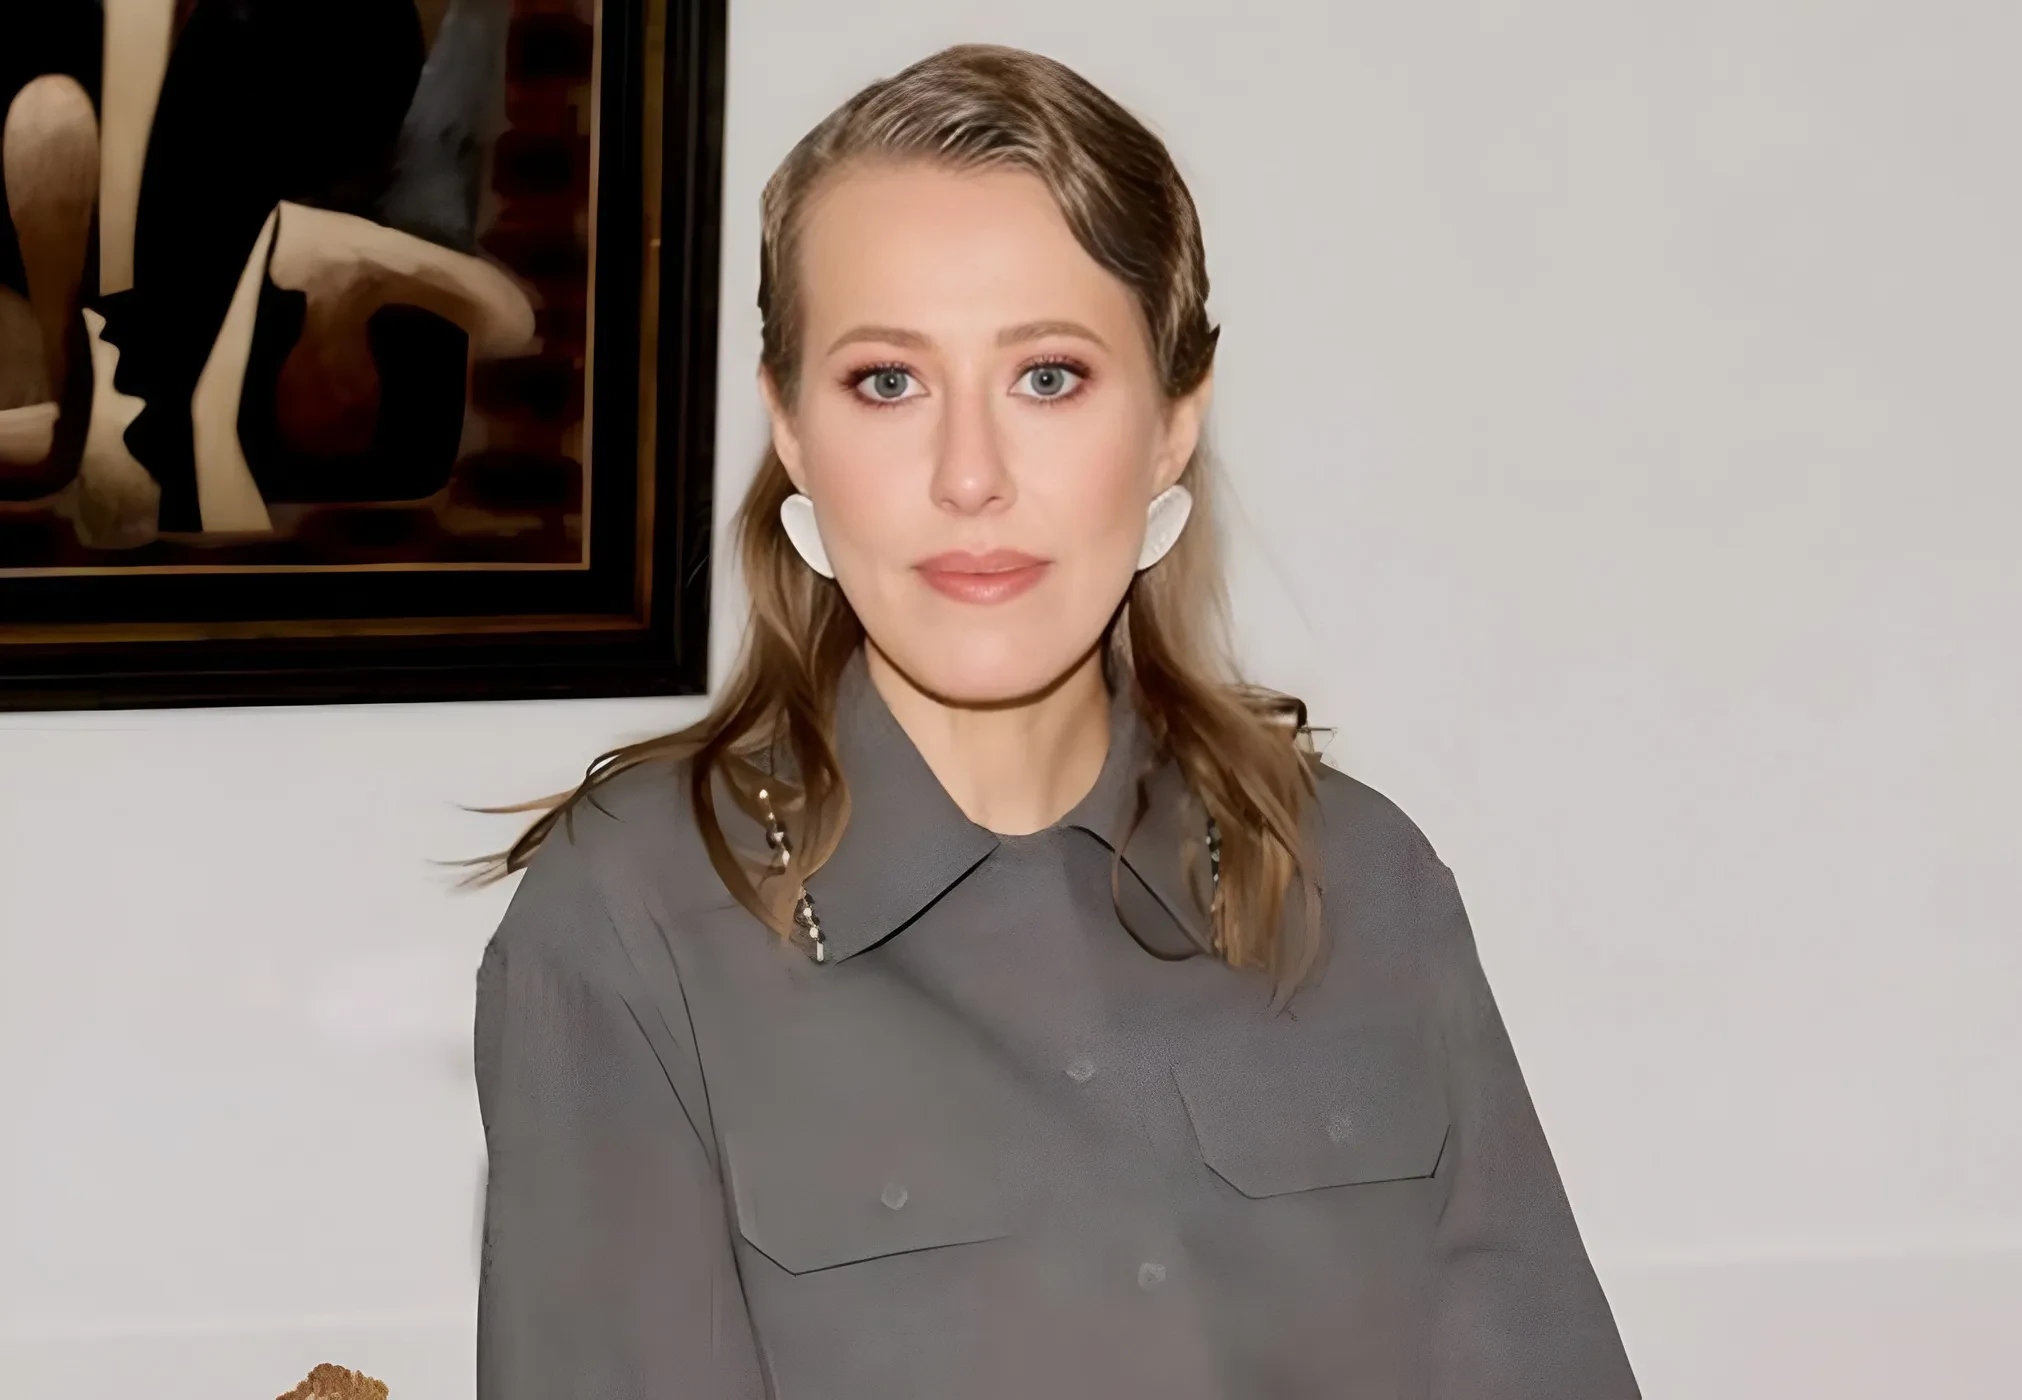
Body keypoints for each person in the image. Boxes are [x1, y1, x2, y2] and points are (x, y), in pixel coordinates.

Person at [473, 42, 1638, 1400]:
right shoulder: (630, 925)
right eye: (888, 382)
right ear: (789, 429)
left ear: (1172, 424)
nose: (969, 476)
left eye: (1048, 377)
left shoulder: (1363, 881)